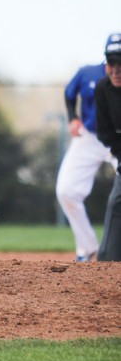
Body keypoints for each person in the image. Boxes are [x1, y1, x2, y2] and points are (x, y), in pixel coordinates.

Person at [55, 39, 116, 262]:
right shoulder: (88, 73)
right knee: (66, 190)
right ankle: (87, 247)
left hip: (117, 139)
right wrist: (72, 118)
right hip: (90, 137)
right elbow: (69, 92)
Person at [95, 33, 121, 262]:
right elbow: (104, 131)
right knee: (116, 202)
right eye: (112, 62)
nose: (116, 69)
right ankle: (106, 266)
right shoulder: (102, 89)